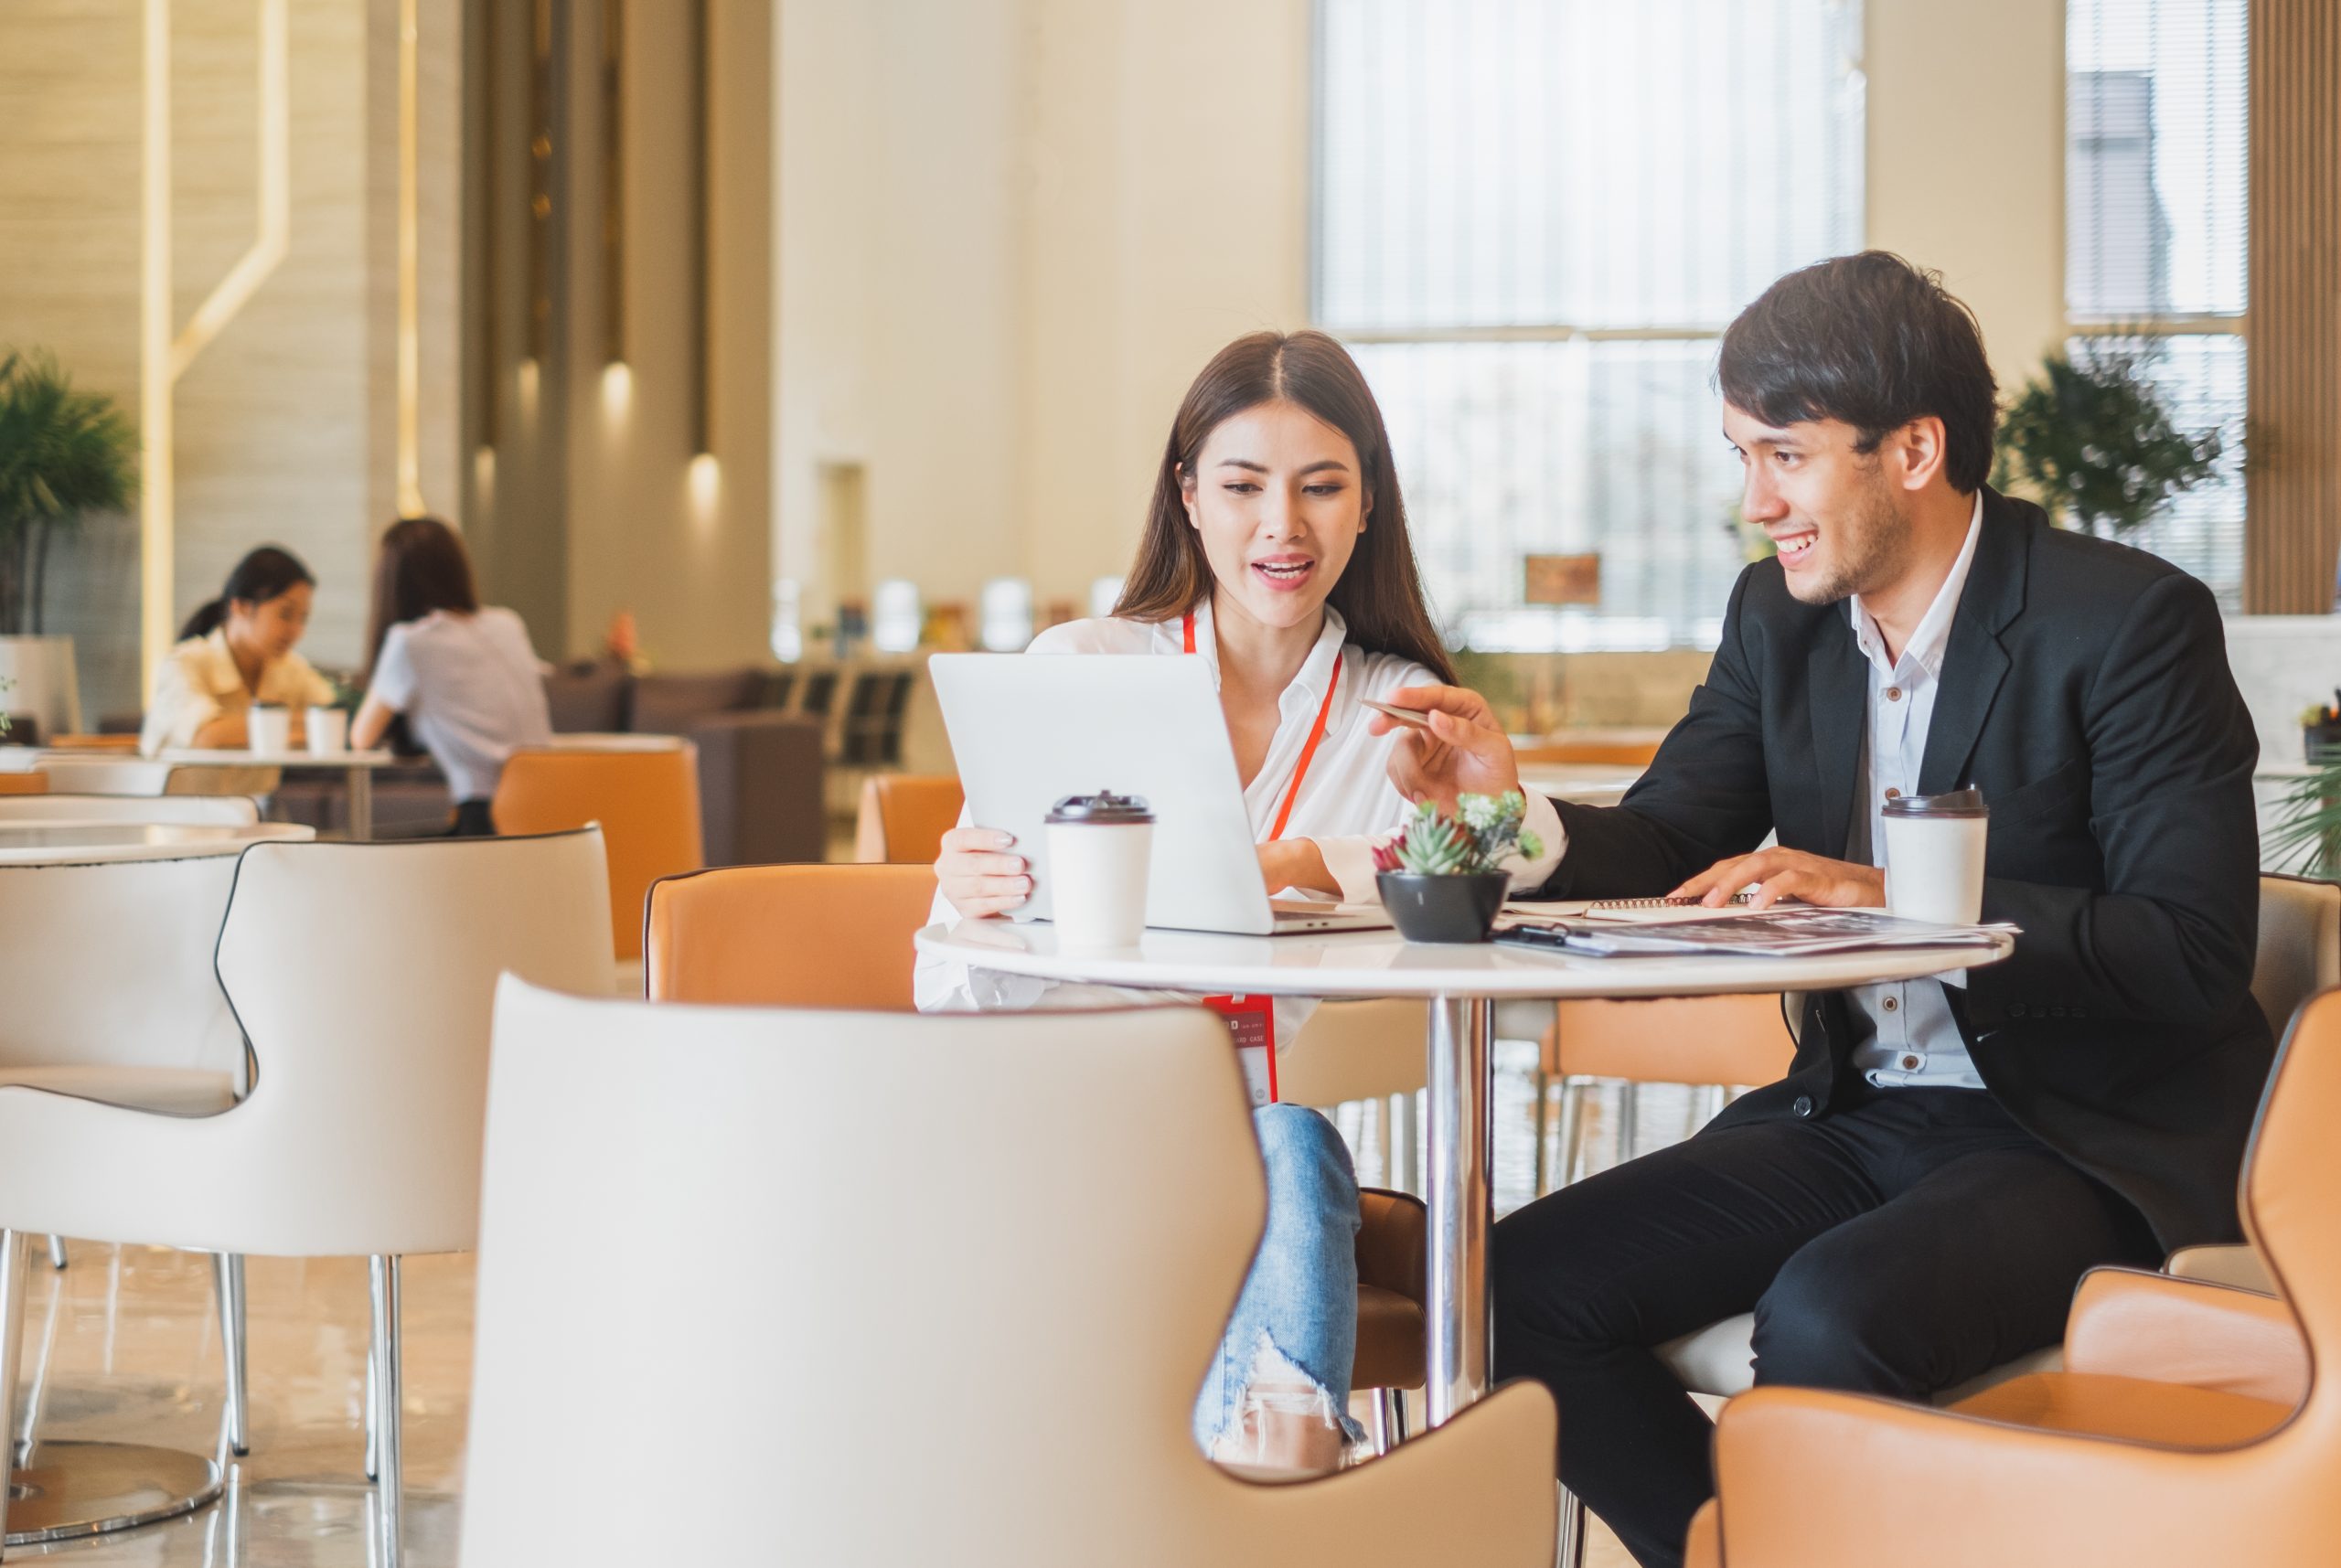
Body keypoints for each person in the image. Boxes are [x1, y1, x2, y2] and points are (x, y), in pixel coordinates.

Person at [1374, 252, 2266, 1568]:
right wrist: (1513, 809)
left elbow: (2189, 949)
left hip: (2075, 1135)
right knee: (1509, 1288)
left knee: (1829, 1315)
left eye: (1783, 456)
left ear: (1913, 448)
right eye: (1744, 458)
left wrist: (1896, 892)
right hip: (1852, 1113)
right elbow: (1676, 833)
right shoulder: (1778, 620)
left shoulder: (2128, 623)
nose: (1755, 503)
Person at [916, 329, 1563, 1473]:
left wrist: (1430, 816)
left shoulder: (1391, 704)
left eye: (1322, 487)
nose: (1284, 526)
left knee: (1288, 1144)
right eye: (1244, 485)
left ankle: (1283, 1466)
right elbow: (951, 993)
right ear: (1188, 498)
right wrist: (970, 902)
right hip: (1055, 1132)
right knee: (1285, 1153)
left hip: (1239, 1145)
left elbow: (1524, 861)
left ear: (1368, 506)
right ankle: (1289, 1503)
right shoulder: (1083, 669)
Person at [349, 516, 551, 835]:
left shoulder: (411, 642)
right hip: (554, 805)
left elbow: (362, 737)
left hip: (487, 818)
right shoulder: (508, 623)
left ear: (392, 581)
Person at [141, 545, 336, 755]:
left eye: (303, 618)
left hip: (253, 791)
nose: (297, 631)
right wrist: (301, 725)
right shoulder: (183, 663)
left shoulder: (290, 668)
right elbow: (207, 736)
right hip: (172, 789)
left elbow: (337, 722)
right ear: (241, 606)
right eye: (286, 614)